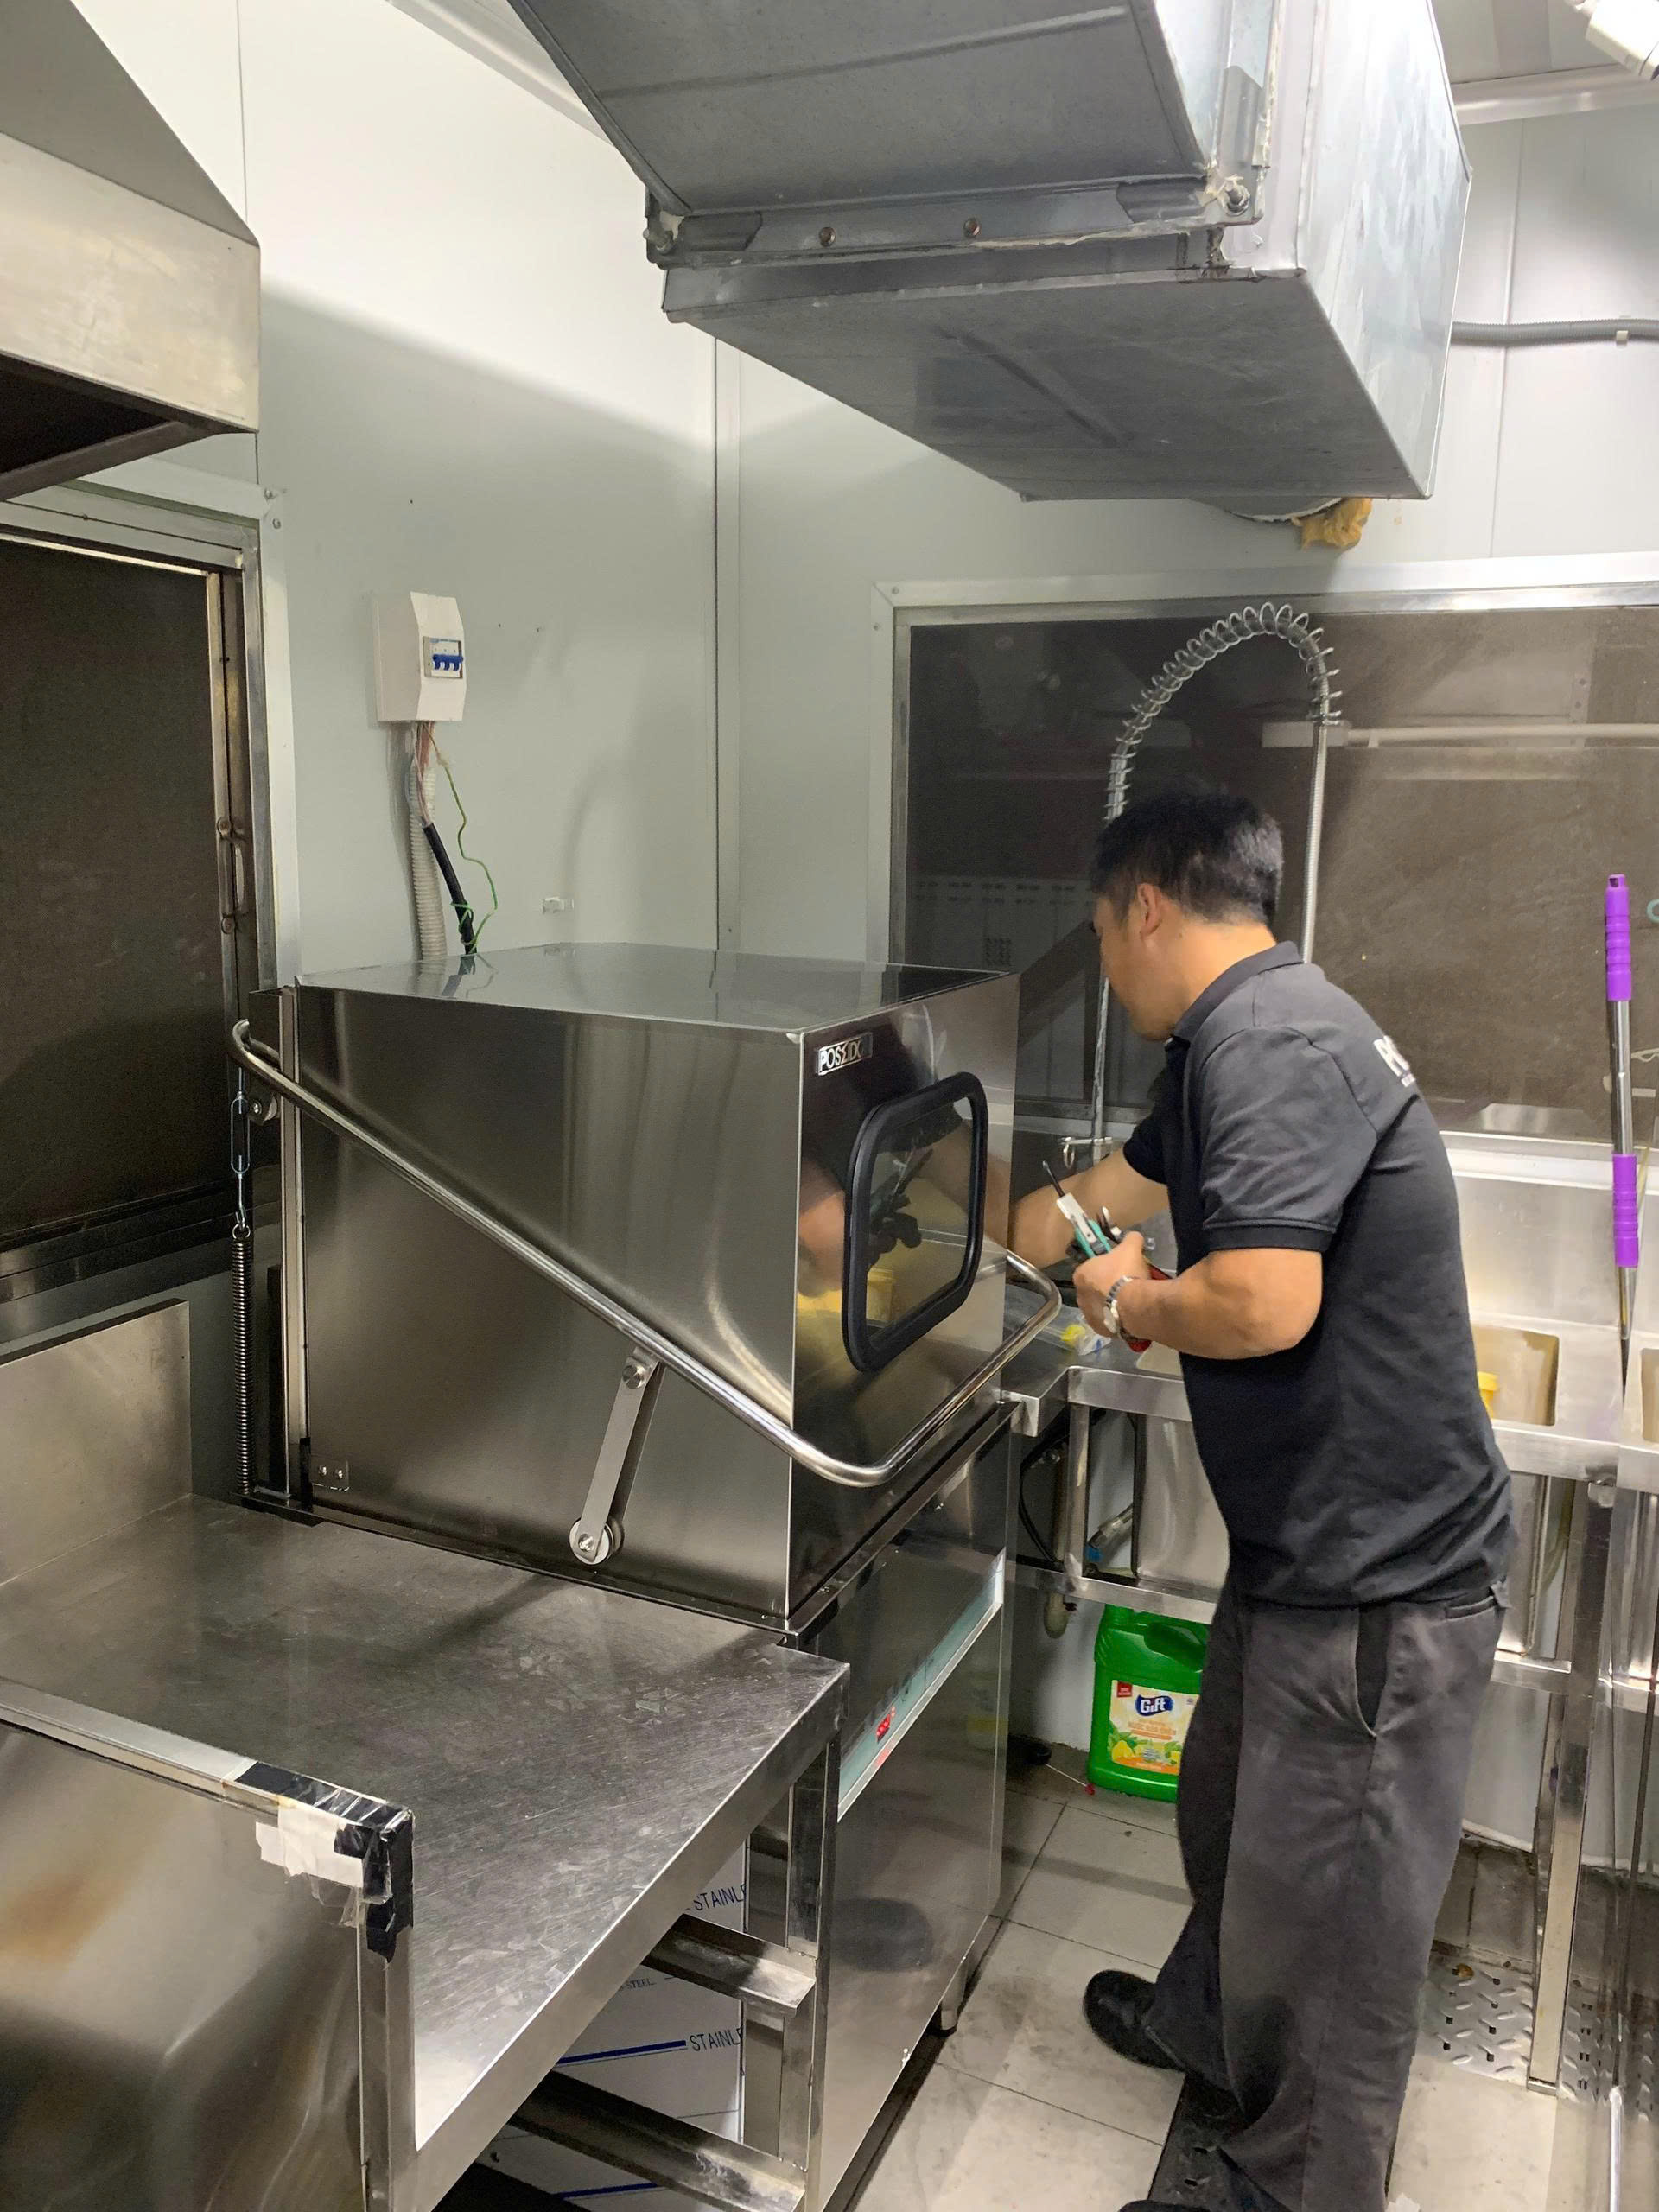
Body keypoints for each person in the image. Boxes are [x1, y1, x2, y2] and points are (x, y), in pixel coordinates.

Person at [1011, 789, 1512, 2212]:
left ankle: (1291, 2187)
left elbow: (1262, 1302)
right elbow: (1092, 1204)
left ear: (1146, 907)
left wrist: (1131, 1304)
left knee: (1333, 1913)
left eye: (1101, 933)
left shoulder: (1271, 1046)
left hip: (1382, 1577)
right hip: (1306, 1545)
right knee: (1232, 1820)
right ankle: (1209, 2030)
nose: (1105, 966)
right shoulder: (1228, 1041)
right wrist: (935, 1213)